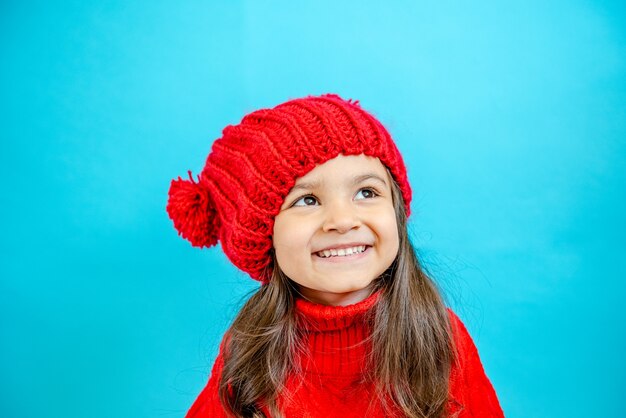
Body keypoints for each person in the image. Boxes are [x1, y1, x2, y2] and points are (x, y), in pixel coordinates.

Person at [167, 94, 504, 418]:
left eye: (366, 192)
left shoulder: (439, 338)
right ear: (263, 237)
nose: (343, 221)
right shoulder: (249, 353)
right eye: (308, 200)